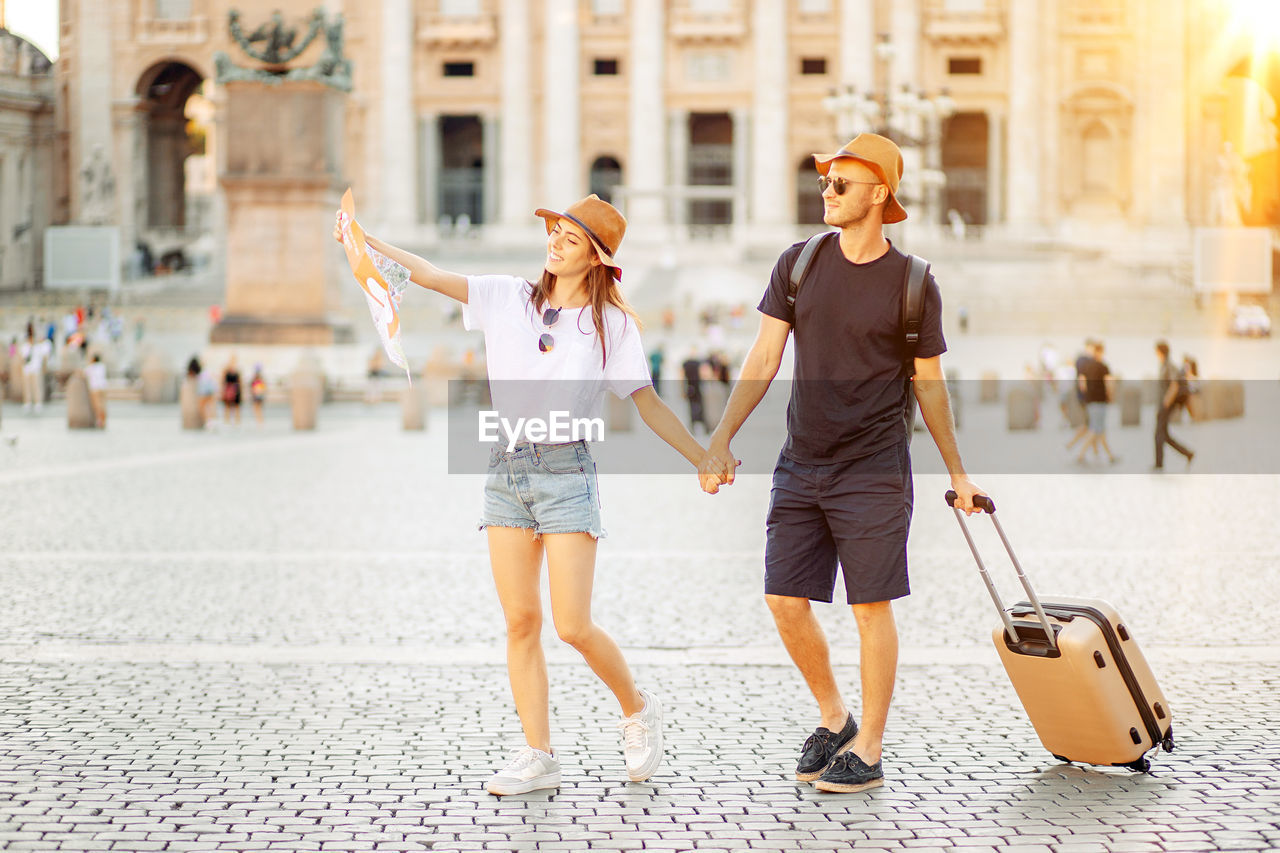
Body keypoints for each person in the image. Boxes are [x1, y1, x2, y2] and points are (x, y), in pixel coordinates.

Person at [335, 194, 723, 796]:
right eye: (554, 233)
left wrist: (702, 456)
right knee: (520, 620)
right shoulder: (507, 297)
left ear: (596, 258)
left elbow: (646, 402)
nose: (555, 244)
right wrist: (366, 242)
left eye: (569, 239)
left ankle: (637, 709)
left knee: (572, 624)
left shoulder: (611, 326)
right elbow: (433, 275)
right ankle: (537, 754)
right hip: (505, 470)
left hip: (567, 471)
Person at [698, 133, 985, 794]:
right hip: (801, 461)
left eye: (840, 183)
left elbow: (929, 385)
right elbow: (764, 358)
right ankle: (835, 716)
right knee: (783, 598)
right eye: (824, 182)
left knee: (868, 606)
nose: (825, 192)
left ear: (879, 193)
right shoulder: (798, 264)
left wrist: (957, 472)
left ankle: (871, 745)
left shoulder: (914, 283)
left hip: (874, 467)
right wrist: (721, 436)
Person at [1153, 341, 1193, 471]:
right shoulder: (1165, 364)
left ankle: (1159, 464)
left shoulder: (1169, 366)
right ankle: (1187, 453)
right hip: (1165, 404)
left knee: (1159, 434)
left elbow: (1174, 386)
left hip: (1167, 404)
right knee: (1164, 435)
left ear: (1160, 352)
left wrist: (1165, 404)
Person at [1076, 340, 1118, 465]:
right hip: (1100, 400)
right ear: (1101, 352)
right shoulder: (1103, 366)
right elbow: (1109, 383)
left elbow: (1081, 383)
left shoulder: (1085, 366)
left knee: (1100, 429)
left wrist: (1087, 394)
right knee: (1095, 429)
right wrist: (1110, 396)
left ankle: (1110, 455)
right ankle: (1081, 454)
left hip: (1089, 400)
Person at [19, 326, 51, 413]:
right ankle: (27, 402)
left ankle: (38, 402)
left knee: (37, 386)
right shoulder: (25, 347)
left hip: (35, 368)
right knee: (27, 387)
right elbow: (22, 358)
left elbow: (44, 356)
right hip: (27, 369)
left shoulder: (38, 347)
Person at [84, 353, 108, 429]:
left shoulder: (91, 367)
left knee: (97, 406)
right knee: (103, 405)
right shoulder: (102, 366)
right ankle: (103, 420)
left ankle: (99, 421)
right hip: (103, 387)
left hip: (95, 388)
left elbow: (84, 373)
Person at [222, 355, 242, 425]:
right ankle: (227, 421)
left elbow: (240, 381)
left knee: (236, 406)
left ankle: (236, 421)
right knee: (227, 406)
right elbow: (223, 380)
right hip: (229, 389)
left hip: (234, 388)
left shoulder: (237, 370)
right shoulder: (226, 370)